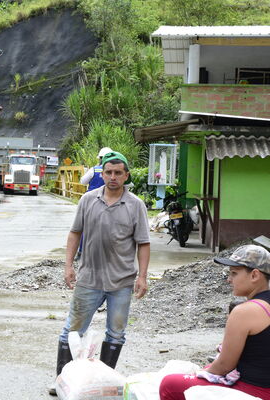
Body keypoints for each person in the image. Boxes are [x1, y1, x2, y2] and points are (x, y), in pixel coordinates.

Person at [49, 151, 150, 396]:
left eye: (118, 173)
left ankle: (102, 382)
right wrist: (69, 265)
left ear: (126, 176)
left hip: (121, 281)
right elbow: (75, 233)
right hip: (89, 278)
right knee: (72, 331)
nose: (113, 177)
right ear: (102, 174)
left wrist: (143, 276)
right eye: (108, 172)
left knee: (116, 332)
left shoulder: (135, 205)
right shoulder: (88, 200)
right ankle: (62, 381)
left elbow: (144, 243)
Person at [159, 245, 270, 400]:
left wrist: (197, 375)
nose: (229, 279)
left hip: (254, 390)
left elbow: (224, 365)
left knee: (169, 383)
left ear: (254, 275)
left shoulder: (245, 311)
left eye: (234, 273)